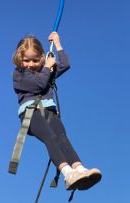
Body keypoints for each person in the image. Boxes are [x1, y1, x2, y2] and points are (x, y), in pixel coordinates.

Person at [12, 31, 102, 191]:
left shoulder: (45, 70)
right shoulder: (19, 74)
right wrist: (47, 66)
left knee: (62, 137)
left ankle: (80, 169)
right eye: (26, 60)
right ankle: (68, 173)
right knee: (50, 136)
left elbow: (65, 65)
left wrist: (58, 44)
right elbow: (39, 84)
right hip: (31, 113)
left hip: (49, 112)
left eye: (35, 60)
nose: (31, 64)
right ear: (20, 59)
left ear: (41, 57)